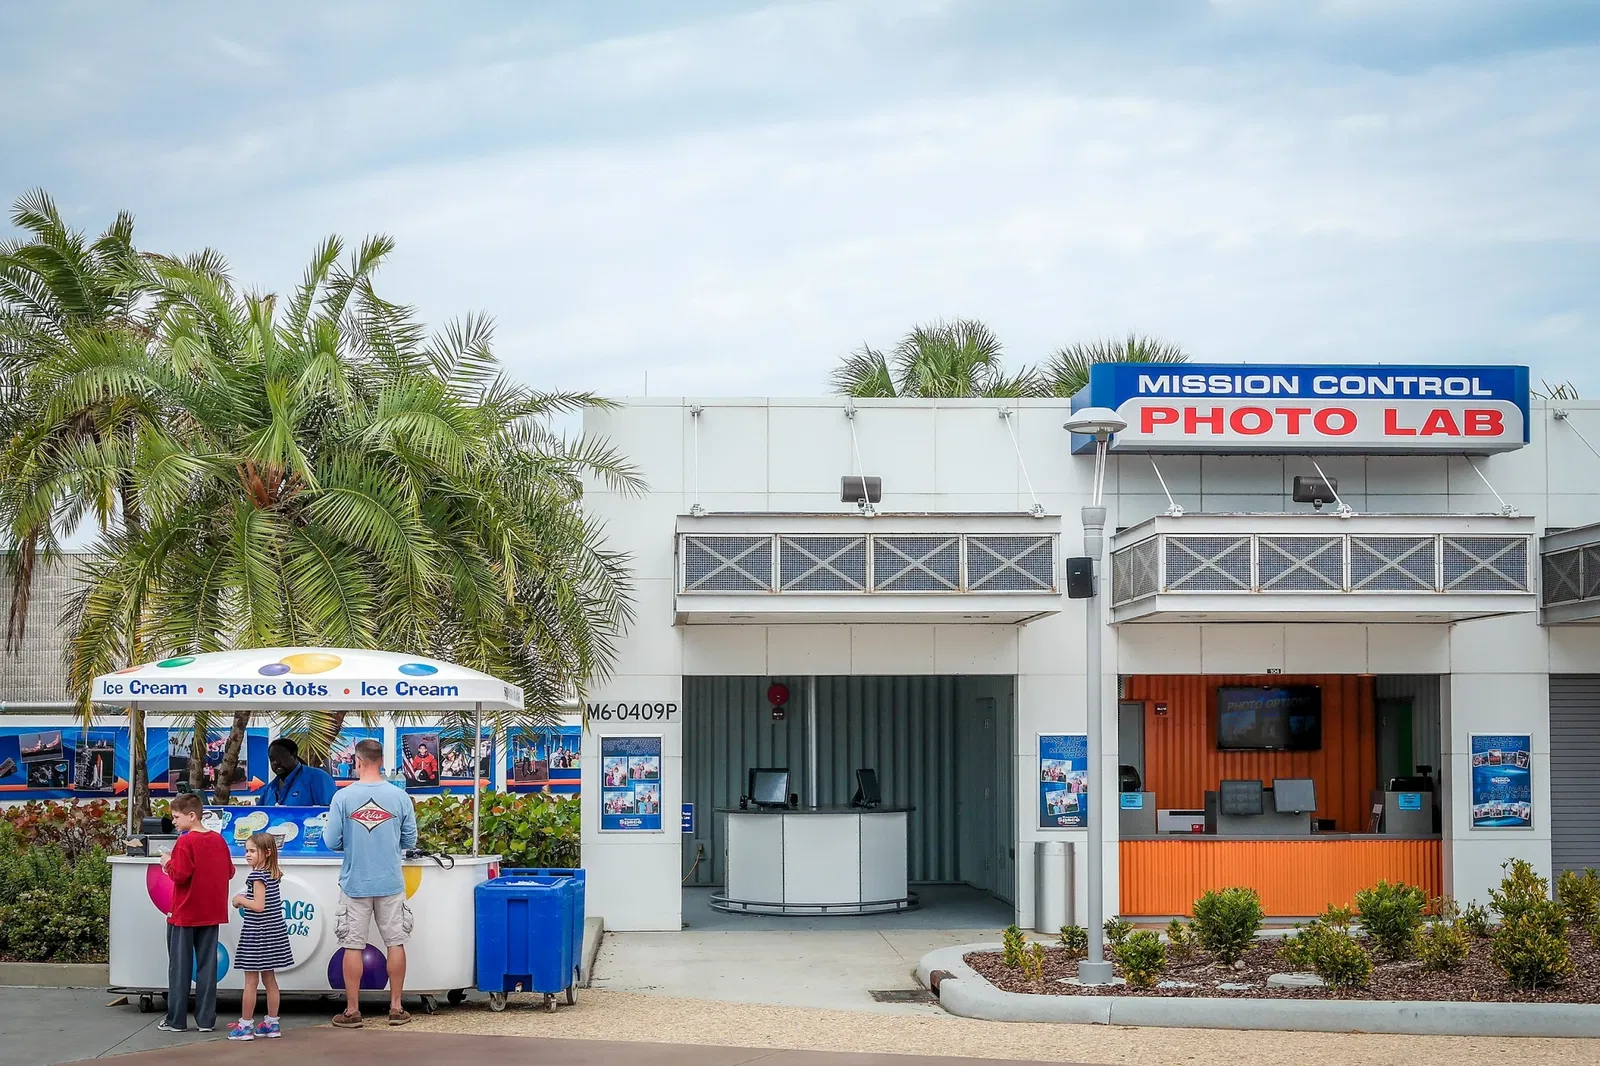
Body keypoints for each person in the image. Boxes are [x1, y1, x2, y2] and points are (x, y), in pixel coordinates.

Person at [324, 738, 417, 1028]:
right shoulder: (399, 796)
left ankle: (352, 1011)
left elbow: (331, 841)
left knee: (352, 945)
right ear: (381, 761)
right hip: (391, 881)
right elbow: (410, 839)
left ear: (357, 761)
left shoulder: (343, 797)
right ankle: (396, 1007)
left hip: (355, 883)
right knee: (395, 942)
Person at [157, 793, 234, 1034]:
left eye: (176, 817)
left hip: (184, 912)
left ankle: (176, 1020)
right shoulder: (219, 840)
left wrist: (167, 862)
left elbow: (180, 875)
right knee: (207, 967)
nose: (174, 822)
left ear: (191, 816)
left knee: (179, 968)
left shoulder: (185, 842)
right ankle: (206, 1020)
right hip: (212, 912)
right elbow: (230, 872)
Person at [228, 832, 293, 1040]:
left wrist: (239, 900)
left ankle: (245, 1025)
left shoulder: (257, 876)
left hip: (257, 932)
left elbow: (258, 905)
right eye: (246, 850)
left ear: (267, 852)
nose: (247, 854)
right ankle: (272, 1023)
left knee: (250, 981)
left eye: (252, 851)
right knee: (270, 979)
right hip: (273, 932)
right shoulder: (273, 874)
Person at [261, 737, 337, 806]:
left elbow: (328, 812)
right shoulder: (270, 788)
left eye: (281, 757)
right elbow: (258, 813)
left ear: (294, 755)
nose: (276, 762)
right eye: (272, 759)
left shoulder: (318, 778)